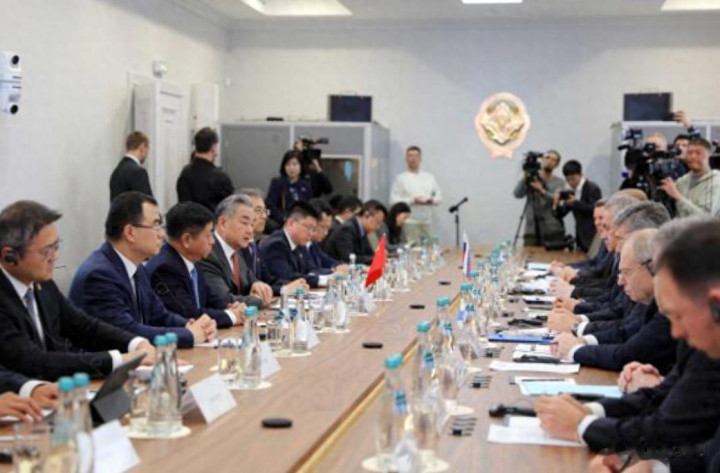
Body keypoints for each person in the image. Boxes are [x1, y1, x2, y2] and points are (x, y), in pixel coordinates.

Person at [536, 220, 720, 471]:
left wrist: (581, 425)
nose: (675, 333)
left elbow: (672, 430)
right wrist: (649, 463)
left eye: (677, 316)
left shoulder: (707, 344)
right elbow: (705, 453)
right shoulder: (704, 338)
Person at [0, 200, 155, 380]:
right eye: (46, 251)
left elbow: (83, 326)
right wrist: (120, 360)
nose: (55, 257)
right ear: (9, 256)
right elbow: (35, 362)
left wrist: (135, 343)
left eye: (56, 246)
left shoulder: (43, 285)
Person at [70, 192, 216, 349]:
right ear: (130, 233)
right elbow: (126, 331)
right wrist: (189, 335)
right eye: (155, 225)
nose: (162, 235)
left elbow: (159, 315)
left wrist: (191, 325)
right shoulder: (100, 275)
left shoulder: (138, 268)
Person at [551, 229, 677, 373]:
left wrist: (575, 349)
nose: (620, 282)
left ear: (652, 266)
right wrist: (584, 340)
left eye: (626, 272)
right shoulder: (653, 301)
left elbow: (627, 355)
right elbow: (627, 332)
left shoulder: (672, 308)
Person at [145, 202, 246, 329]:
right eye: (208, 235)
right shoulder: (164, 268)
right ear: (186, 240)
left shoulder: (193, 261)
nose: (212, 242)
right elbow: (188, 314)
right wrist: (231, 316)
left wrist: (231, 308)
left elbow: (212, 301)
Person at [198, 195, 306, 306]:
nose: (250, 230)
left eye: (252, 224)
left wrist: (258, 284)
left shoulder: (236, 250)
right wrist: (259, 299)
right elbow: (223, 300)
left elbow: (252, 279)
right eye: (245, 223)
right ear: (223, 223)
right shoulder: (207, 252)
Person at [260, 202, 339, 288]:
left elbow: (311, 270)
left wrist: (334, 272)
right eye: (308, 228)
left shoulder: (300, 244)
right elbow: (286, 276)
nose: (311, 233)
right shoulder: (275, 245)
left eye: (313, 229)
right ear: (291, 223)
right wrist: (323, 280)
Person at [513, 150, 565, 246]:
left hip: (551, 229)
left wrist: (542, 190)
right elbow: (517, 194)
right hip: (531, 229)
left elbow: (557, 201)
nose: (549, 161)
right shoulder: (532, 178)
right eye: (547, 158)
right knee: (529, 253)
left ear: (557, 165)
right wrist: (524, 177)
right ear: (542, 160)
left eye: (553, 160)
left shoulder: (559, 182)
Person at [389, 146, 442, 243]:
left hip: (427, 221)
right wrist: (412, 200)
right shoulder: (401, 178)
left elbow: (439, 197)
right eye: (410, 156)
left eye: (416, 156)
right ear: (406, 158)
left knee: (430, 248)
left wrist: (430, 200)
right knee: (413, 249)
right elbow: (393, 201)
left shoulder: (429, 177)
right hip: (409, 222)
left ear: (420, 159)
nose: (413, 159)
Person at [176, 127, 235, 211]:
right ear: (213, 147)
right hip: (212, 218)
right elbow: (231, 208)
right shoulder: (221, 178)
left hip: (187, 218)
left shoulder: (185, 174)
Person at [660, 137, 720, 217]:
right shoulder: (682, 181)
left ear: (708, 156)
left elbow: (706, 218)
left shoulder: (716, 182)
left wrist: (677, 196)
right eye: (689, 153)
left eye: (698, 153)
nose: (693, 156)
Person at [554, 160, 603, 252]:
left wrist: (576, 203)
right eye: (568, 180)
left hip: (592, 234)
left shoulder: (592, 188)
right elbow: (560, 214)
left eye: (572, 179)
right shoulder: (572, 191)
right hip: (580, 236)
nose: (570, 182)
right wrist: (555, 204)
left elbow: (595, 209)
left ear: (580, 175)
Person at [324, 200, 386, 265]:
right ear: (367, 215)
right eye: (377, 222)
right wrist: (375, 258)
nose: (378, 227)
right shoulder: (347, 229)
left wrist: (379, 255)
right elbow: (348, 258)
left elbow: (369, 253)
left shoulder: (362, 230)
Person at [265, 150, 313, 227]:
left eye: (295, 164)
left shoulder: (306, 185)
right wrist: (284, 219)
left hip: (301, 222)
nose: (291, 168)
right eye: (288, 165)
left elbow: (309, 206)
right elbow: (270, 205)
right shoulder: (278, 183)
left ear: (301, 166)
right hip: (282, 222)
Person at [109, 131, 153, 200]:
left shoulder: (116, 172)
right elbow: (147, 203)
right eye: (147, 150)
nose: (147, 155)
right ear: (142, 147)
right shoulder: (138, 172)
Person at [307, 199, 345, 274]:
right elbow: (310, 271)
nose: (326, 233)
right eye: (323, 227)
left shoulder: (313, 244)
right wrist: (334, 271)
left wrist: (341, 266)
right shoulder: (298, 245)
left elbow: (325, 260)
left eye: (327, 228)